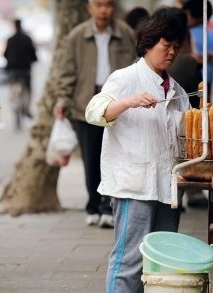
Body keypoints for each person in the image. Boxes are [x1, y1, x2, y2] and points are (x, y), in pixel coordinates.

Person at [85, 10, 189, 293]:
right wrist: (127, 102)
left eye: (176, 46)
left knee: (160, 260)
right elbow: (95, 111)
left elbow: (185, 139)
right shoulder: (125, 78)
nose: (171, 52)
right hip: (133, 185)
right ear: (147, 44)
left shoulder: (179, 92)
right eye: (165, 44)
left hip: (167, 187)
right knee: (129, 259)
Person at [53, 0, 136, 228]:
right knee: (91, 159)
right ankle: (92, 204)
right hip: (85, 106)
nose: (103, 10)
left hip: (117, 103)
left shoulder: (125, 33)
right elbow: (67, 72)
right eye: (98, 5)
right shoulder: (76, 36)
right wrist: (63, 99)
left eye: (108, 5)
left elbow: (135, 66)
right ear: (89, 7)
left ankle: (108, 207)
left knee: (114, 157)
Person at [182, 0, 213, 94]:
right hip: (208, 77)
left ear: (189, 13)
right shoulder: (212, 34)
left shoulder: (187, 33)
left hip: (192, 77)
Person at [4, 18, 37, 119]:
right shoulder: (27, 39)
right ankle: (27, 109)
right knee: (28, 90)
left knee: (13, 88)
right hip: (25, 70)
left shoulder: (10, 39)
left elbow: (5, 54)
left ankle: (14, 102)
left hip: (13, 70)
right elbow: (34, 55)